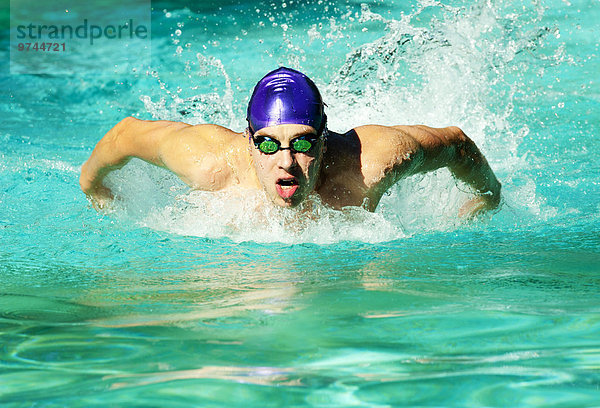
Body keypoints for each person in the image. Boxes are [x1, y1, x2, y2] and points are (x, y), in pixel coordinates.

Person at [80, 67, 501, 217]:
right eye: (267, 144)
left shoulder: (372, 164)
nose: (286, 162)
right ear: (248, 139)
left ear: (324, 138)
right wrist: (92, 185)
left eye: (302, 143)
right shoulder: (209, 164)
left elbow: (457, 144)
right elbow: (124, 135)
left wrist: (488, 197)